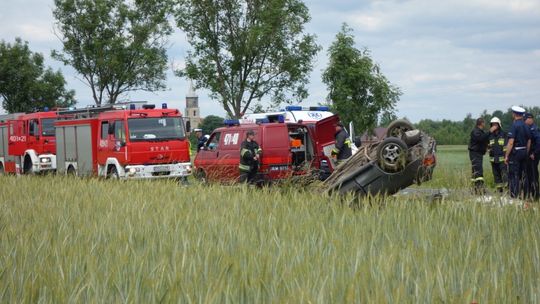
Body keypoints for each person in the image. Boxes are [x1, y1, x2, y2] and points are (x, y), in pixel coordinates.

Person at [505, 106, 531, 199]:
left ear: (514, 114)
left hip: (516, 153)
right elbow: (529, 141)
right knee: (524, 174)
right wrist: (526, 152)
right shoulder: (526, 126)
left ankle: (514, 196)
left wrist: (507, 155)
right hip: (524, 151)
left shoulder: (514, 125)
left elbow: (511, 142)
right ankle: (526, 195)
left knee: (514, 174)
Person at [468, 118, 495, 194]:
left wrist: (487, 147)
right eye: (484, 123)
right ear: (481, 123)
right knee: (479, 171)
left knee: (475, 171)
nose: (485, 124)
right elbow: (480, 138)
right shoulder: (475, 131)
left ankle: (475, 189)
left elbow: (482, 141)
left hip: (478, 153)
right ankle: (480, 189)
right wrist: (489, 131)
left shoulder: (479, 131)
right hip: (475, 153)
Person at [487, 117, 508, 193]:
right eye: (492, 124)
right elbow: (485, 143)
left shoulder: (504, 134)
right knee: (496, 176)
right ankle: (499, 190)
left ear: (499, 125)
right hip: (493, 159)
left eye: (495, 124)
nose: (494, 126)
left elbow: (506, 147)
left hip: (502, 159)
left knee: (504, 175)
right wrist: (487, 147)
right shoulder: (490, 135)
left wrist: (506, 157)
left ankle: (507, 190)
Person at [524, 113, 540, 199]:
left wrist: (534, 153)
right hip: (529, 155)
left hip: (533, 155)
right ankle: (530, 193)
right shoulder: (529, 128)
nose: (525, 121)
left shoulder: (534, 129)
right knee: (529, 174)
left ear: (530, 119)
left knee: (533, 175)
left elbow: (539, 142)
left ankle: (535, 194)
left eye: (526, 119)